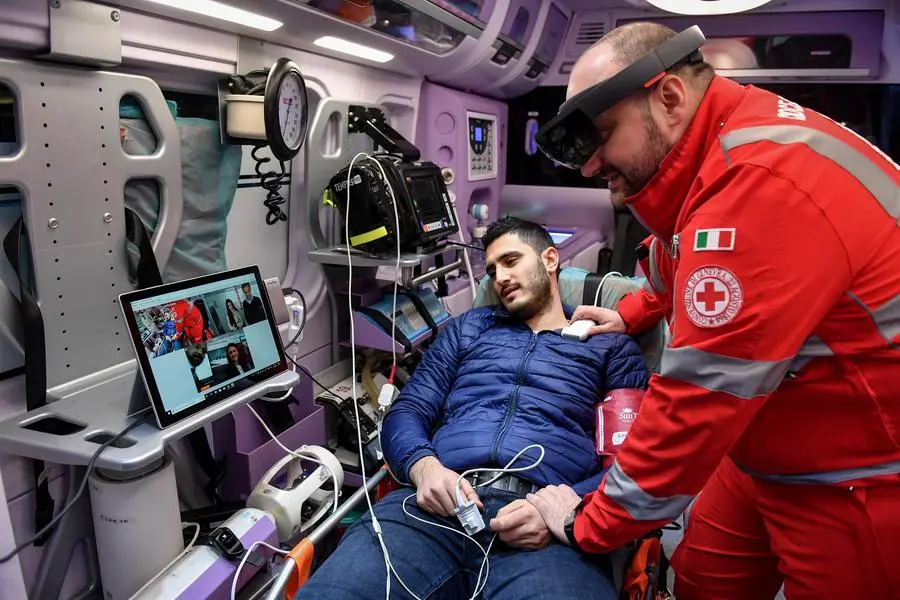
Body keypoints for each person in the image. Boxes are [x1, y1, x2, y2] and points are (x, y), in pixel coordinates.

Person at [525, 22, 900, 600]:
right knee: (701, 580)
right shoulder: (719, 145)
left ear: (670, 97)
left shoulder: (761, 185)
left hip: (856, 471)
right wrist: (633, 311)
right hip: (761, 438)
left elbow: (695, 403)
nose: (591, 166)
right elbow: (686, 257)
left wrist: (587, 524)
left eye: (601, 135)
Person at [294, 217, 650, 600]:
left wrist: (569, 511)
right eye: (493, 270)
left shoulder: (610, 347)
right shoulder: (469, 328)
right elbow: (409, 410)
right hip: (435, 507)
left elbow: (628, 460)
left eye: (511, 261)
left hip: (544, 525)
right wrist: (424, 467)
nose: (501, 278)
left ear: (549, 259)